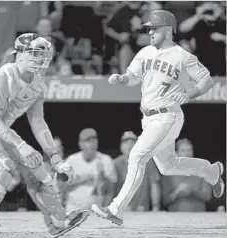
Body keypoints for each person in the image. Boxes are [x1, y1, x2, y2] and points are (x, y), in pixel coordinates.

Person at [91, 10, 225, 226]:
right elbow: (133, 77)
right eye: (149, 28)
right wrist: (121, 78)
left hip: (168, 116)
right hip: (148, 118)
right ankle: (212, 171)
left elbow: (206, 80)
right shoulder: (145, 52)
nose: (150, 31)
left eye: (154, 28)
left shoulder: (182, 55)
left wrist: (189, 94)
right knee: (167, 166)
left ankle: (116, 209)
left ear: (168, 29)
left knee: (136, 155)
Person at [0, 33, 89, 238]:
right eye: (34, 54)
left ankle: (58, 223)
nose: (40, 60)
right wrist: (21, 145)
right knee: (2, 167)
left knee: (37, 167)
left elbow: (38, 123)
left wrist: (55, 157)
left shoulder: (38, 85)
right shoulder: (0, 78)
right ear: (19, 54)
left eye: (43, 55)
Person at [64, 128, 117, 211]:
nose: (92, 144)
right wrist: (80, 179)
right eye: (88, 141)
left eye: (94, 140)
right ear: (80, 144)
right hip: (73, 210)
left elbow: (111, 189)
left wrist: (103, 176)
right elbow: (61, 186)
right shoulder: (71, 160)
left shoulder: (105, 160)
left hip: (96, 212)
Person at [114, 131, 161, 212]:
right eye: (126, 143)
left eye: (133, 143)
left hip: (142, 210)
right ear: (121, 147)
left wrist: (155, 208)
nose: (130, 145)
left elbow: (154, 185)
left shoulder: (147, 162)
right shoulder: (115, 164)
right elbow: (112, 188)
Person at [161, 138, 212, 212]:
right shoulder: (168, 173)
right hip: (174, 219)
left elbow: (208, 197)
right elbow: (164, 201)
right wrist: (177, 193)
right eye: (183, 150)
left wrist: (193, 191)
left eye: (189, 150)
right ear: (176, 153)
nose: (187, 153)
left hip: (199, 218)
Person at [179, 1, 226, 76]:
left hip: (221, 67)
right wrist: (199, 15)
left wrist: (223, 38)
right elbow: (182, 29)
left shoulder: (223, 22)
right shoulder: (198, 23)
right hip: (202, 65)